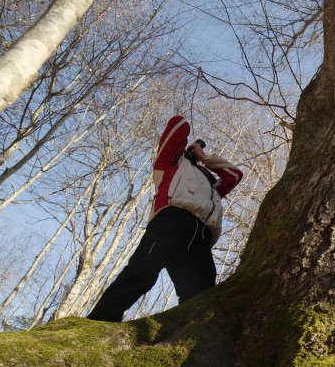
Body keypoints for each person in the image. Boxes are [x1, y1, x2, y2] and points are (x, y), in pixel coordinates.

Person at [87, 115, 243, 322]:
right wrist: (190, 149)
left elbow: (234, 175)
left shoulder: (212, 188)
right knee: (142, 271)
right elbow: (179, 124)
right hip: (172, 220)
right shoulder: (169, 165)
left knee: (200, 292)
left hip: (202, 234)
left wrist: (205, 159)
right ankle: (100, 320)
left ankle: (185, 337)